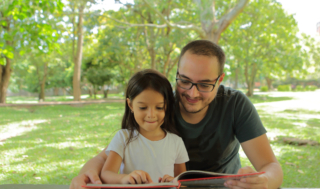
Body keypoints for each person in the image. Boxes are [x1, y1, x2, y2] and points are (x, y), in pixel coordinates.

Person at [70, 40, 283, 189]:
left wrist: (264, 181)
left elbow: (271, 167)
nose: (192, 93)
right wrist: (84, 176)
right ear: (177, 74)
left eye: (205, 84)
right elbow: (110, 154)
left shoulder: (235, 104)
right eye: (185, 81)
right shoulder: (161, 106)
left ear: (220, 80)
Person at [100, 69, 189, 184]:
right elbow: (106, 174)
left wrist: (174, 181)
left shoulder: (176, 142)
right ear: (130, 105)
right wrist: (124, 178)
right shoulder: (123, 138)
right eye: (143, 108)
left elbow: (183, 181)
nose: (151, 115)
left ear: (167, 106)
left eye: (159, 107)